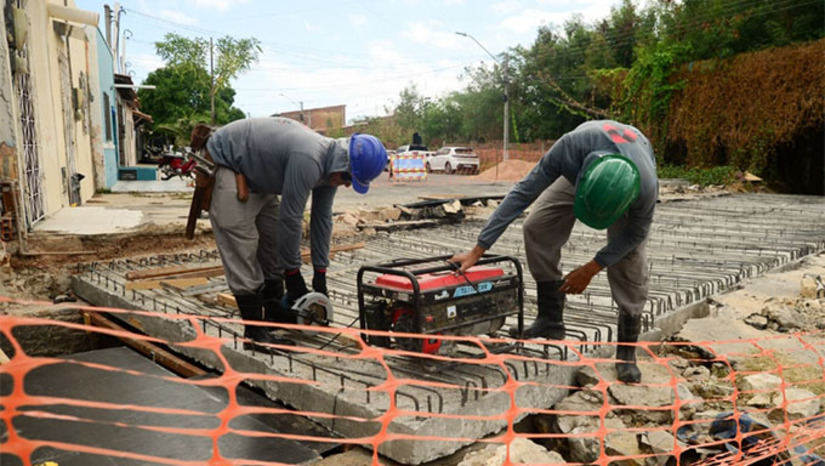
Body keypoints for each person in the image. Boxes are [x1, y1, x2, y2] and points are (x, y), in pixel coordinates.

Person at [450, 120, 657, 383]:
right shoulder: (568, 150)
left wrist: (592, 267)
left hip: (626, 179)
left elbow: (635, 234)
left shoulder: (645, 188)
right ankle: (551, 320)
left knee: (629, 257)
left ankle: (627, 352)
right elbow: (522, 193)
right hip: (593, 169)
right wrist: (478, 250)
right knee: (537, 225)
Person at [202, 117, 387, 353]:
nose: (347, 186)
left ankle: (273, 312)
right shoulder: (309, 159)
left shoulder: (331, 169)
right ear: (343, 163)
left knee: (272, 242)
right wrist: (293, 273)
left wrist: (321, 273)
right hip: (227, 163)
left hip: (258, 174)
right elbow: (291, 218)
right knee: (242, 245)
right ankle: (255, 332)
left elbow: (322, 219)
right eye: (348, 179)